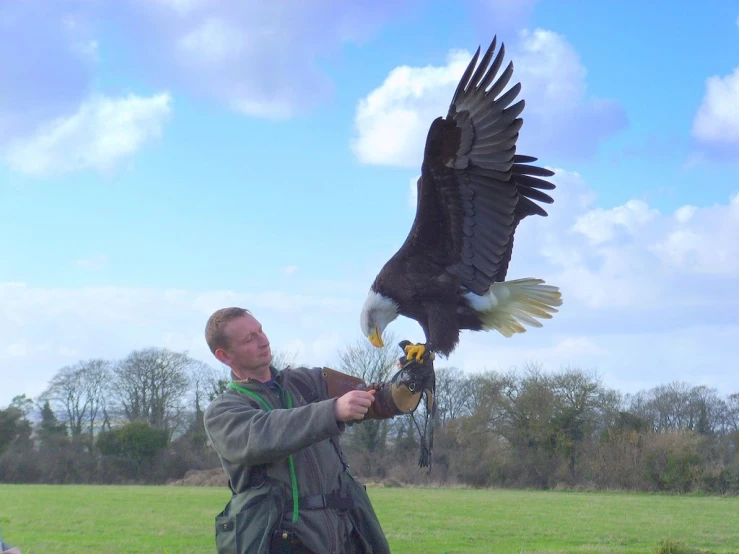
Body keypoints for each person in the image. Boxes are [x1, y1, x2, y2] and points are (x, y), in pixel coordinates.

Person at [202, 307, 433, 554]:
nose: (264, 341)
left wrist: (408, 380)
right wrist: (332, 411)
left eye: (260, 330)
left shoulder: (307, 381)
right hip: (279, 538)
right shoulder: (223, 411)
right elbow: (261, 435)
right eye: (250, 338)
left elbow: (371, 398)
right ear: (224, 355)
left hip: (343, 530)